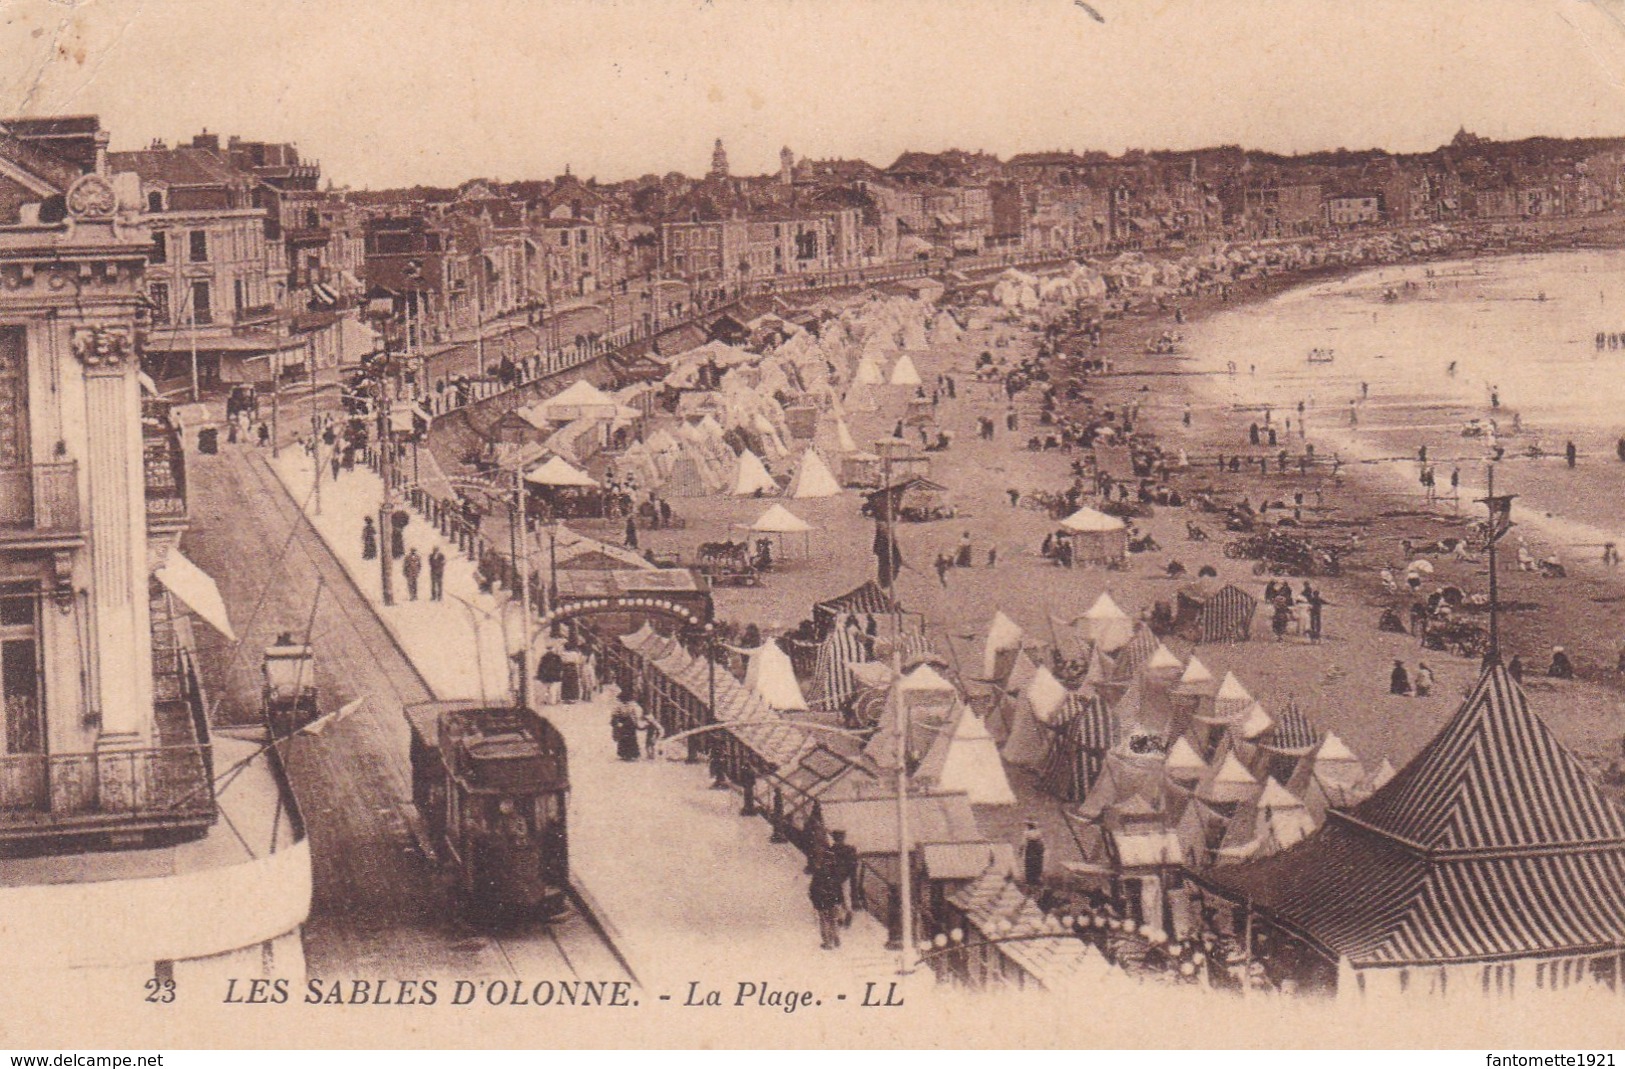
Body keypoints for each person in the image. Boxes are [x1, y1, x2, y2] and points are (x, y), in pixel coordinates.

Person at [829, 828, 864, 923]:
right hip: (846, 874)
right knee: (845, 893)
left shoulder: (832, 849)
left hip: (837, 875)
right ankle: (847, 911)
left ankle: (842, 915)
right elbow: (854, 863)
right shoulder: (849, 849)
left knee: (838, 895)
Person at [810, 860, 846, 951]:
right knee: (833, 921)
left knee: (824, 922)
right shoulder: (835, 877)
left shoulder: (817, 877)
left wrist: (815, 903)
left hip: (822, 903)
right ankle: (835, 937)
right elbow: (840, 891)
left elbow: (812, 891)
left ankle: (827, 943)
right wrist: (841, 903)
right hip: (833, 902)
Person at [1022, 820, 1046, 886]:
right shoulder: (1038, 832)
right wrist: (1043, 848)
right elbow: (1041, 841)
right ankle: (1037, 878)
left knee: (1029, 862)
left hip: (1031, 847)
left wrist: (1020, 850)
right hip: (1037, 847)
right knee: (1037, 862)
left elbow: (1023, 842)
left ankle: (1030, 880)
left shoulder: (1026, 832)